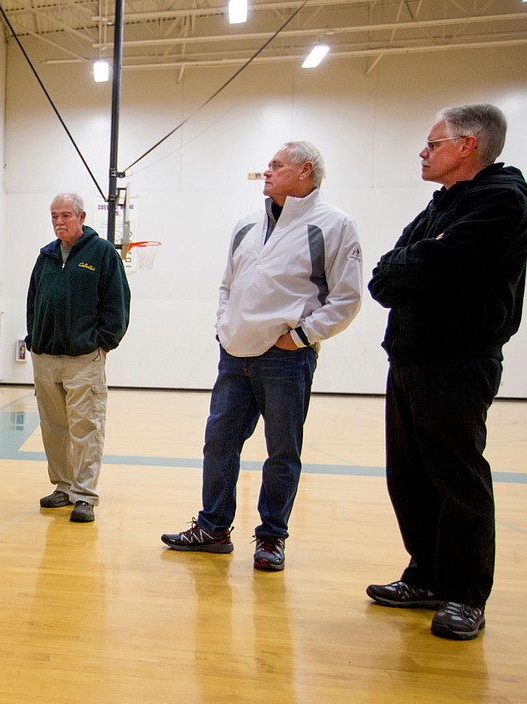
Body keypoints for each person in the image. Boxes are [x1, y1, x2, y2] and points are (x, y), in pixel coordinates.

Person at [161, 142, 363, 570]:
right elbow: (227, 285)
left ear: (305, 171)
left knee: (282, 451)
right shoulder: (246, 224)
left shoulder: (334, 225)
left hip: (286, 358)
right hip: (234, 354)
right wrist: (224, 324)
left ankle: (271, 537)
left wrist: (302, 336)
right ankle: (213, 527)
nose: (266, 172)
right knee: (218, 443)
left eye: (276, 165)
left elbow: (346, 298)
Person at [366, 104, 527, 640]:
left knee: (457, 478)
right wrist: (412, 263)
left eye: (433, 143)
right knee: (409, 477)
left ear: (467, 147)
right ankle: (427, 576)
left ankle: (464, 594)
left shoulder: (503, 201)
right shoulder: (442, 206)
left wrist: (414, 263)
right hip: (410, 357)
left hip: (458, 360)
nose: (423, 151)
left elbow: (437, 265)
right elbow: (385, 276)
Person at [26, 192, 130, 524]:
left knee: (86, 428)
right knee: (54, 428)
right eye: (54, 215)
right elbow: (33, 301)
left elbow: (118, 303)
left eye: (66, 215)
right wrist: (34, 339)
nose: (59, 221)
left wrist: (104, 343)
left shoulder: (102, 254)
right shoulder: (45, 256)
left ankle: (84, 495)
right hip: (45, 357)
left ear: (82, 217)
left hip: (84, 358)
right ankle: (64, 486)